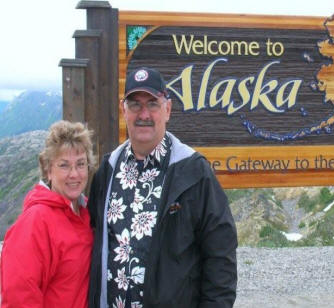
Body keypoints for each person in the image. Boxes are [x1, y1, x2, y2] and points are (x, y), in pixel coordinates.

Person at [88, 67, 238, 308]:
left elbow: (220, 256)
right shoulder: (108, 170)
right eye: (135, 104)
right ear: (123, 110)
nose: (144, 113)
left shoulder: (194, 172)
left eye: (153, 104)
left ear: (167, 109)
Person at [0, 120, 96, 308]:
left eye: (80, 164)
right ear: (48, 170)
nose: (74, 174)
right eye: (64, 165)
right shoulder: (36, 222)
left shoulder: (86, 213)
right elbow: (18, 297)